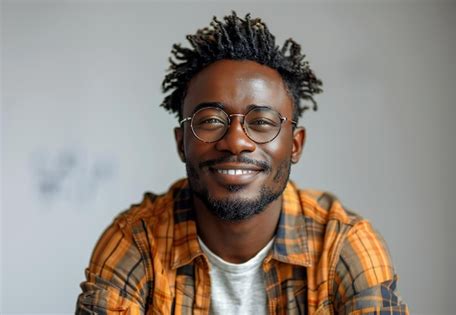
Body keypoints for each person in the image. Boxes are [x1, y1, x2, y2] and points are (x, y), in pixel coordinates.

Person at [76, 12, 408, 315]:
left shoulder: (342, 245)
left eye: (261, 122)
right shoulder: (136, 242)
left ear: (295, 145)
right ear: (181, 143)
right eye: (210, 120)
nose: (235, 141)